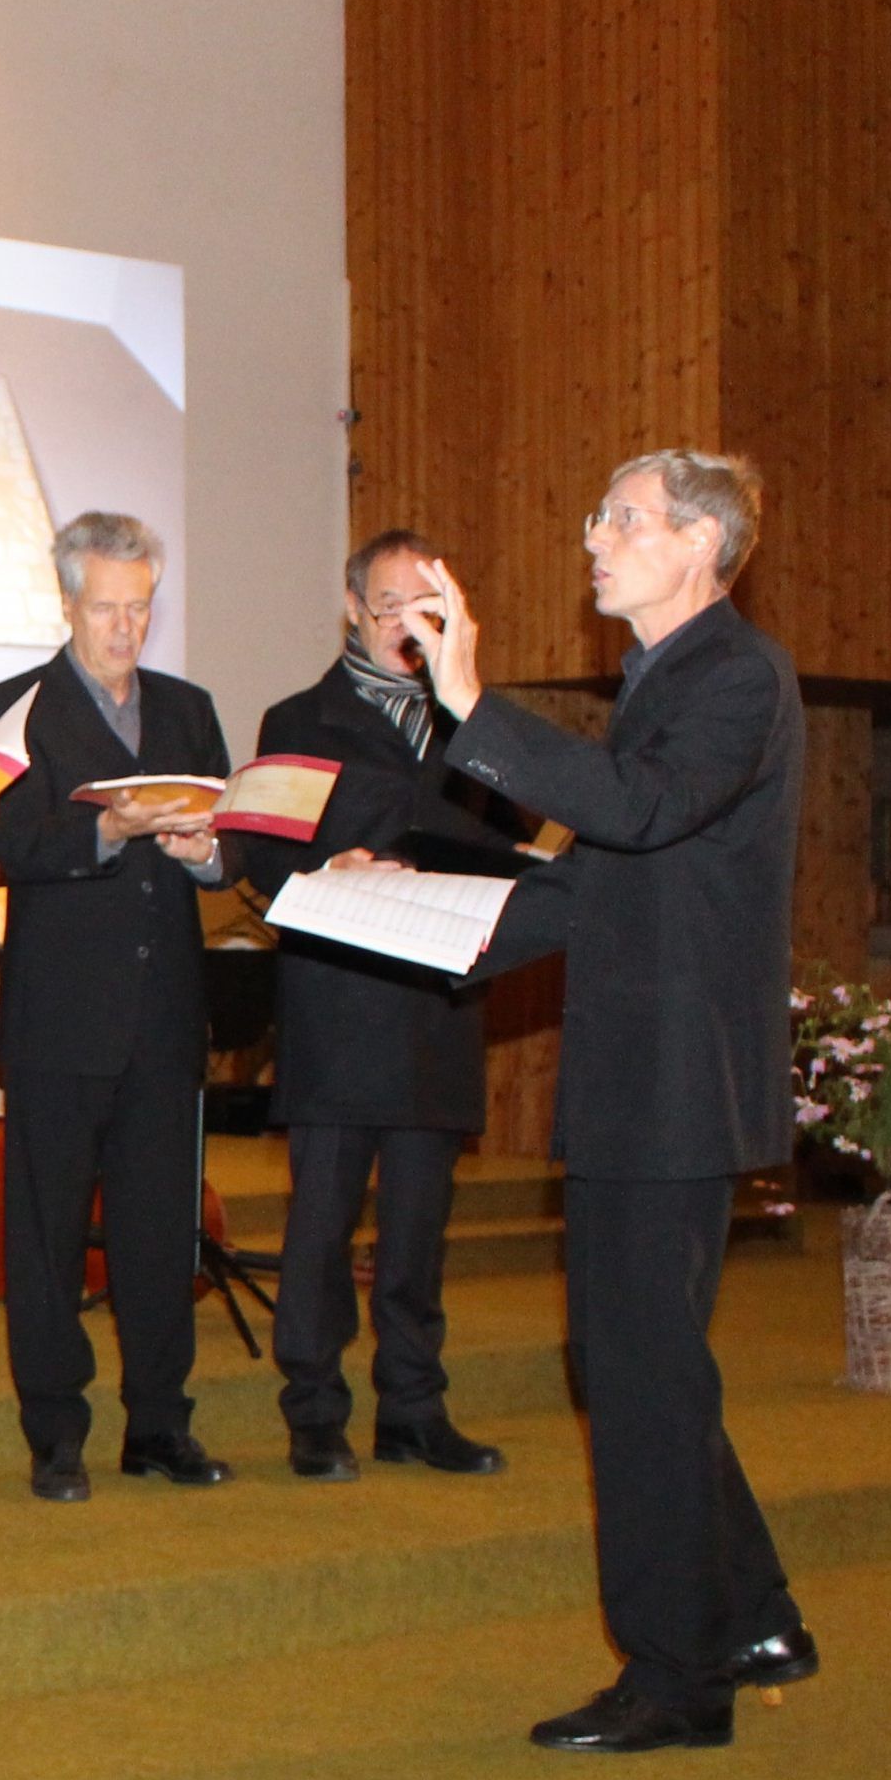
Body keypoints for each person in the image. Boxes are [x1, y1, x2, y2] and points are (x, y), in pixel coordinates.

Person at [406, 450, 813, 1752]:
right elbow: (595, 887)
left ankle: (673, 1680)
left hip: (677, 1080)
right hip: (649, 1077)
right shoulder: (665, 683)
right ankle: (750, 1614)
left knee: (634, 1372)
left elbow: (634, 813)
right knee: (644, 1364)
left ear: (699, 543)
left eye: (621, 518)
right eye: (596, 515)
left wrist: (472, 701)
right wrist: (405, 912)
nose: (594, 538)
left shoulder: (733, 677)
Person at [235, 529, 531, 1481]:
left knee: (416, 1232)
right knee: (319, 1226)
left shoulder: (474, 720)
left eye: (427, 605)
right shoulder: (297, 718)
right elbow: (260, 860)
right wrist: (330, 864)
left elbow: (512, 840)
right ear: (355, 611)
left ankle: (413, 1407)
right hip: (336, 1004)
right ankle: (313, 1411)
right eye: (393, 603)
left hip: (436, 1002)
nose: (411, 621)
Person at [0, 512, 239, 1501]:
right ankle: (55, 1431)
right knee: (43, 1235)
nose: (124, 629)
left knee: (159, 1231)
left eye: (139, 608)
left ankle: (158, 1424)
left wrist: (207, 852)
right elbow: (15, 850)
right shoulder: (12, 707)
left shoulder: (186, 708)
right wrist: (109, 832)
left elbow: (229, 844)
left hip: (163, 1012)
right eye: (105, 609)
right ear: (67, 603)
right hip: (60, 1015)